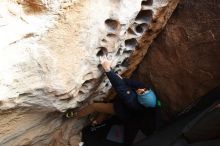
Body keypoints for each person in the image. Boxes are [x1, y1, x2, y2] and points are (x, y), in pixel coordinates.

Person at [65, 55, 158, 124]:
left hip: (121, 109)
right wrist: (122, 79)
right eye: (145, 90)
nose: (141, 90)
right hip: (124, 107)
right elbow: (132, 84)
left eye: (142, 93)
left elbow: (120, 87)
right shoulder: (145, 89)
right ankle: (96, 122)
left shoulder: (131, 101)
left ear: (141, 100)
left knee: (95, 106)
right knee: (107, 108)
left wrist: (107, 69)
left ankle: (76, 115)